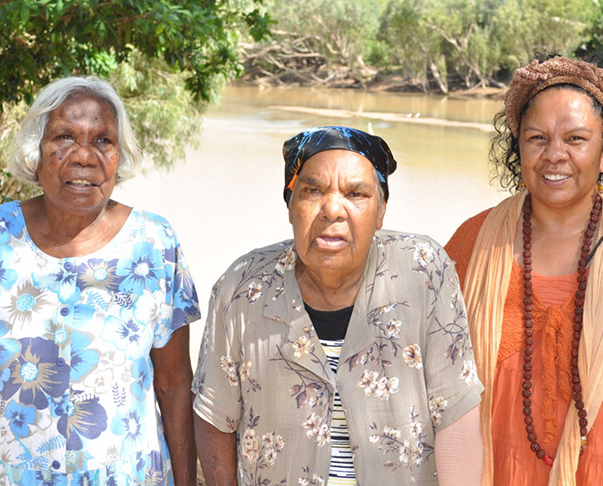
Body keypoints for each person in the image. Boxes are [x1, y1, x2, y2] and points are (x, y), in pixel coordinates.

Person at [444, 55, 603, 485]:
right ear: (519, 145)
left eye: (576, 139)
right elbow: (432, 381)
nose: (554, 155)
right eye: (537, 138)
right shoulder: (472, 244)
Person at [0, 76, 200, 485]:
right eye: (64, 137)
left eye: (103, 141)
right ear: (35, 151)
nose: (84, 156)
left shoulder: (155, 245)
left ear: (119, 156)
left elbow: (175, 383)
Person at [193, 126, 484, 485]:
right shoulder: (242, 287)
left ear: (381, 210)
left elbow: (455, 413)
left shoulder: (423, 271)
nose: (332, 209)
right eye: (312, 191)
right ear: (290, 206)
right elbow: (215, 416)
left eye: (355, 193)